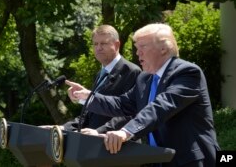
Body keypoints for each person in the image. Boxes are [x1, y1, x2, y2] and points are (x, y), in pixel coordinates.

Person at [66, 23, 220, 167]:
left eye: (143, 47)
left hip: (189, 160)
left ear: (164, 48)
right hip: (157, 159)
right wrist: (87, 96)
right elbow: (122, 104)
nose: (137, 52)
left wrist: (125, 132)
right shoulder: (145, 78)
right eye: (136, 47)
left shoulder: (187, 72)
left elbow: (161, 107)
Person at [60, 25, 141, 132]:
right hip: (94, 141)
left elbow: (129, 113)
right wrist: (62, 128)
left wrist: (99, 131)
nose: (98, 48)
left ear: (117, 45)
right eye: (95, 44)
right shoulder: (100, 74)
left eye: (103, 43)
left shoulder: (131, 71)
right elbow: (90, 115)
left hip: (117, 144)